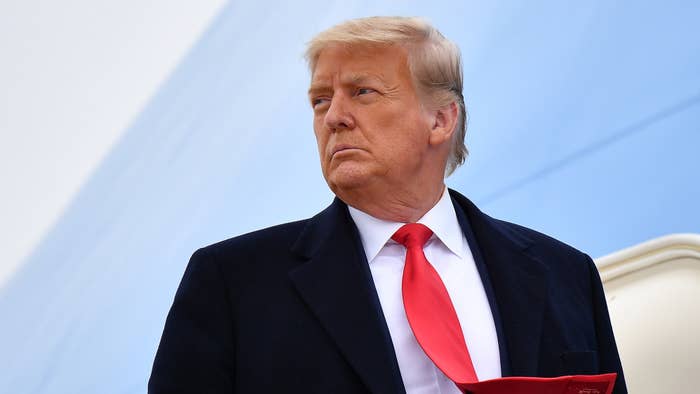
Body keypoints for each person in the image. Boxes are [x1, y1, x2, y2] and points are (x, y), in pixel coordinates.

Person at [149, 16, 627, 394]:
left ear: (440, 120)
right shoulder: (231, 284)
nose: (334, 117)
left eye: (363, 92)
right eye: (319, 101)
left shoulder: (566, 274)